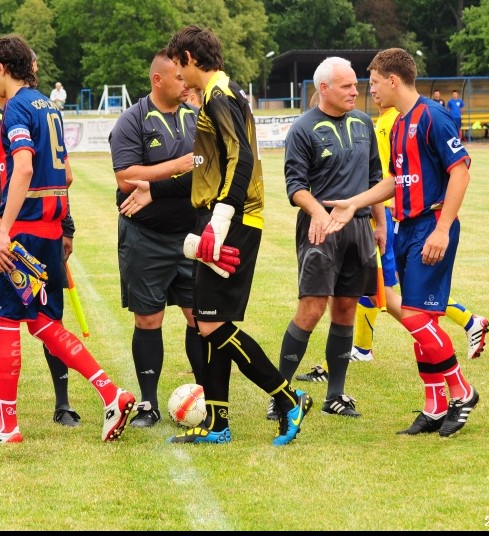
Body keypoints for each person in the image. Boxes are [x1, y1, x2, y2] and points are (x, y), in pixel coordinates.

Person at [0, 34, 135, 444]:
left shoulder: (17, 107)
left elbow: (22, 168)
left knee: (4, 322)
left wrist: (4, 228)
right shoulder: (49, 107)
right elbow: (67, 175)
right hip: (50, 231)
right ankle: (111, 393)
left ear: (1, 68)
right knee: (43, 323)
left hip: (23, 231)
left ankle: (6, 426)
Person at [161, 24, 312, 445]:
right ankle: (218, 423)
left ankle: (288, 398)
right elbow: (210, 165)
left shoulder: (220, 96)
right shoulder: (218, 94)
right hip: (222, 216)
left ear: (189, 58)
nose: (177, 73)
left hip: (232, 219)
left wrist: (221, 219)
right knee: (209, 321)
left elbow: (241, 157)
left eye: (178, 64)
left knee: (211, 324)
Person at [323, 48, 480, 437]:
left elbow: (460, 172)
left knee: (413, 317)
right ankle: (434, 406)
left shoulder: (433, 116)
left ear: (393, 80)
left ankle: (462, 391)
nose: (371, 90)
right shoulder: (396, 125)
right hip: (405, 228)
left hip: (431, 225)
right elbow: (395, 180)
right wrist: (354, 202)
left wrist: (442, 229)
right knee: (421, 319)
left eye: (374, 83)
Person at [0, 59, 83, 431]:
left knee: (50, 317)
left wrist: (66, 225)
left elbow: (58, 174)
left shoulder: (38, 109)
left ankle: (63, 404)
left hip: (38, 229)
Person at [270, 57, 385, 422]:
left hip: (359, 228)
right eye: (347, 86)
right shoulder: (303, 128)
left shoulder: (364, 123)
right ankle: (280, 395)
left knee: (347, 308)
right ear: (324, 88)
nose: (355, 91)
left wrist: (379, 223)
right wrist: (319, 211)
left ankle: (335, 395)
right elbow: (295, 186)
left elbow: (375, 179)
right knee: (312, 309)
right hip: (319, 229)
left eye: (356, 84)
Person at [347, 95, 489, 364]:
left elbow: (452, 171)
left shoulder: (407, 118)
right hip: (391, 212)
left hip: (394, 214)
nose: (368, 91)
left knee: (396, 291)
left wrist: (434, 222)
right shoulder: (390, 121)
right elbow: (393, 174)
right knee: (378, 287)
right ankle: (363, 348)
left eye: (374, 83)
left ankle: (467, 323)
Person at [108, 49, 201, 428]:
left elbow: (207, 170)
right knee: (148, 319)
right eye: (179, 77)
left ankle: (206, 395)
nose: (186, 82)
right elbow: (125, 177)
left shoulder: (196, 117)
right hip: (145, 236)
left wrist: (163, 177)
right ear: (157, 80)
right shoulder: (132, 120)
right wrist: (178, 165)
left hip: (191, 235)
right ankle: (148, 403)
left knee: (200, 318)